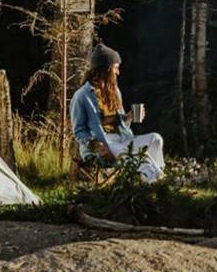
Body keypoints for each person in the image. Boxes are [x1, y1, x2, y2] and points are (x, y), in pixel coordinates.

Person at [70, 43, 165, 183]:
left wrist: (130, 117)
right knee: (139, 158)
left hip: (122, 139)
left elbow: (121, 124)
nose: (118, 72)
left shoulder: (114, 91)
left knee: (156, 139)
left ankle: (158, 177)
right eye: (115, 68)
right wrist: (96, 145)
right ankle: (154, 184)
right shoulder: (82, 96)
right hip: (102, 144)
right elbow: (79, 132)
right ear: (106, 70)